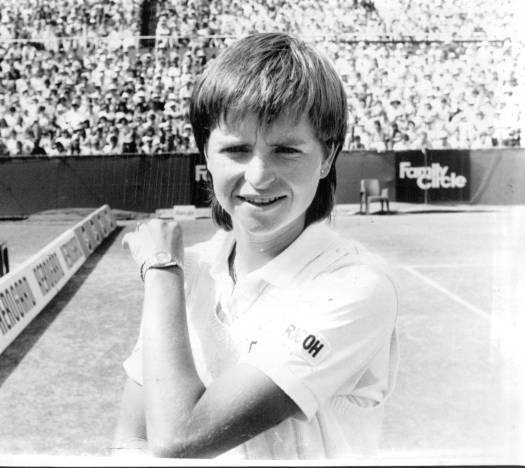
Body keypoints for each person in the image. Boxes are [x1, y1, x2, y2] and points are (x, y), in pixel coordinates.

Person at [114, 33, 399, 460]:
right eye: (237, 149)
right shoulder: (190, 270)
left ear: (327, 157)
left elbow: (180, 435)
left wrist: (158, 271)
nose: (259, 175)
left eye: (286, 150)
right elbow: (132, 440)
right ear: (206, 157)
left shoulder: (355, 286)